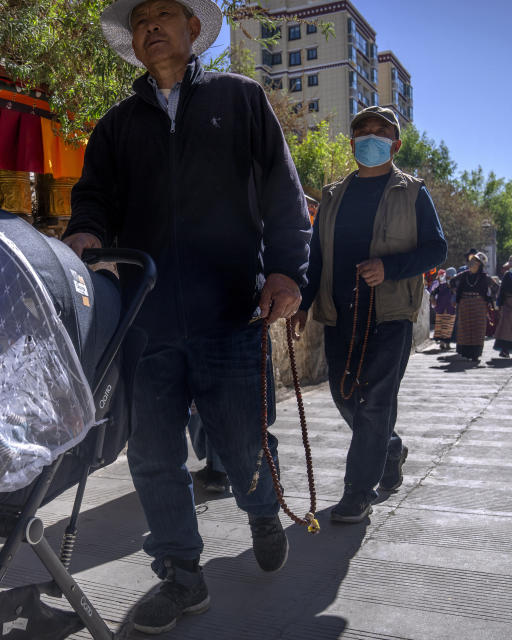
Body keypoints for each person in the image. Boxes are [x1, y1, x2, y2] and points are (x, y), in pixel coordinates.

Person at [62, 0, 312, 633]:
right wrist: (86, 235)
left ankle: (261, 507)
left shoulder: (242, 99)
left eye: (165, 15)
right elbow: (92, 199)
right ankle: (180, 574)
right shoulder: (117, 125)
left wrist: (287, 271)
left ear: (193, 29)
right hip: (144, 319)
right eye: (141, 20)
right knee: (152, 455)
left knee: (239, 440)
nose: (151, 28)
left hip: (230, 308)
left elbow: (283, 192)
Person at [292, 105, 447, 524]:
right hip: (340, 315)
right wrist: (303, 304)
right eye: (363, 130)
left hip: (391, 315)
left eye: (381, 132)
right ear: (352, 141)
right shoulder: (332, 195)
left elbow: (437, 249)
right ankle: (390, 448)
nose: (371, 137)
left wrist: (389, 268)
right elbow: (316, 254)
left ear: (395, 144)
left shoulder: (413, 193)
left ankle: (357, 494)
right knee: (345, 396)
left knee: (376, 402)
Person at [454, 252, 494, 362]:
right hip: (465, 304)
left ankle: (475, 354)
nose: (471, 264)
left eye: (475, 262)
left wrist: (490, 299)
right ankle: (466, 352)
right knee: (465, 328)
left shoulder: (485, 277)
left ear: (480, 265)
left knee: (477, 329)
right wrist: (457, 296)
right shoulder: (464, 275)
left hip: (478, 305)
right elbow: (452, 282)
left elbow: (496, 288)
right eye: (471, 262)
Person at [430, 267, 456, 349]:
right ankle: (443, 343)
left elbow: (433, 293)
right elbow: (433, 293)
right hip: (446, 308)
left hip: (446, 308)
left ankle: (445, 343)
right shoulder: (445, 285)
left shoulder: (448, 285)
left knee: (446, 325)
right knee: (445, 325)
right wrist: (433, 299)